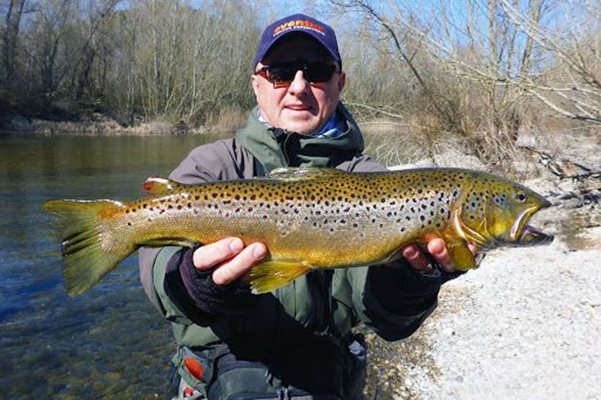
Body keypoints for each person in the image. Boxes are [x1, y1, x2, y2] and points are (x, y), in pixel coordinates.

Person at [138, 13, 470, 400]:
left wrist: (406, 285)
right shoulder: (213, 165)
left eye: (316, 71)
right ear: (256, 83)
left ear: (339, 82)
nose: (298, 87)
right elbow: (155, 259)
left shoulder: (373, 183)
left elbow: (387, 321)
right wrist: (190, 283)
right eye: (281, 71)